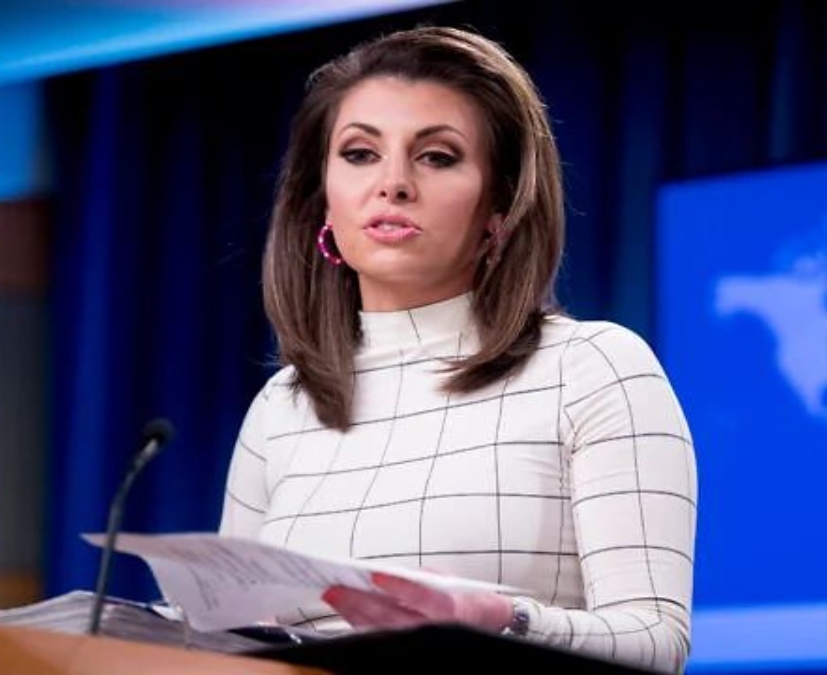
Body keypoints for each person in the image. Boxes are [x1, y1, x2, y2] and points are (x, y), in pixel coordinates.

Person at [219, 25, 697, 675]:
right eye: (360, 153)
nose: (392, 184)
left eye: (437, 157)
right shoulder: (281, 406)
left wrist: (500, 620)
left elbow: (656, 642)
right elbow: (224, 638)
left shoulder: (593, 368)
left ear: (500, 207)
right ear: (320, 200)